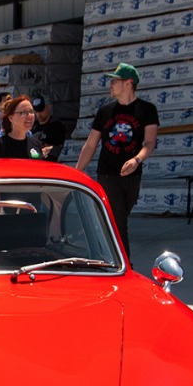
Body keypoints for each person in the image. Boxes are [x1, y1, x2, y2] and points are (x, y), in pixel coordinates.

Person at [75, 63, 159, 260]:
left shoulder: (147, 110)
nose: (110, 85)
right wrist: (77, 172)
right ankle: (124, 265)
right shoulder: (105, 111)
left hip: (132, 176)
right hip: (107, 174)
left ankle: (106, 257)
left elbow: (149, 142)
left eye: (114, 81)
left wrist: (137, 160)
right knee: (118, 222)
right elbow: (90, 144)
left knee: (116, 221)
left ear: (128, 83)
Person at [0, 95, 47, 160]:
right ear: (11, 118)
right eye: (23, 112)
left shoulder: (35, 144)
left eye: (31, 112)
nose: (30, 116)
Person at [31, 93, 67, 160]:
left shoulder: (57, 127)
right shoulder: (32, 125)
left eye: (41, 110)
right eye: (36, 111)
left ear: (49, 107)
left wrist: (40, 143)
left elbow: (59, 150)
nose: (38, 114)